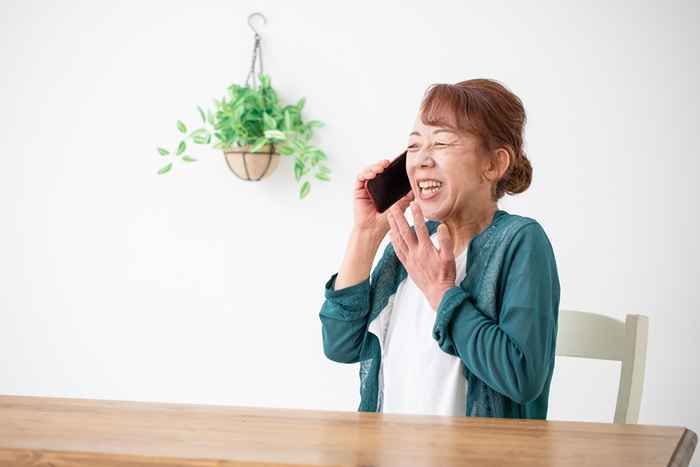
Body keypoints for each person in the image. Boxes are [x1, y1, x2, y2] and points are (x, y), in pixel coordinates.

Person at [319, 79, 560, 420]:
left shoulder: (520, 241)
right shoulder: (411, 245)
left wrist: (441, 292)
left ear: (493, 164)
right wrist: (366, 234)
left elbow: (521, 377)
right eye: (414, 146)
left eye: (442, 143)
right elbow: (340, 346)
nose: (421, 161)